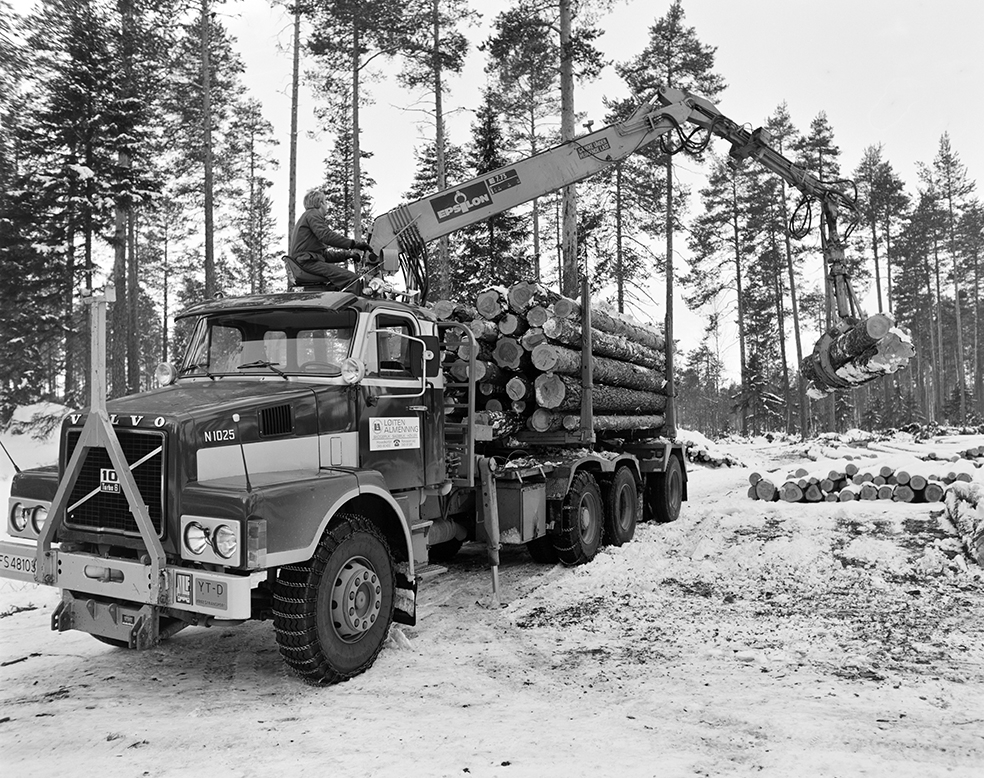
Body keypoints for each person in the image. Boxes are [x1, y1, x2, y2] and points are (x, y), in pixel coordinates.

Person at [288, 188, 374, 293]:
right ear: (320, 203)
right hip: (307, 263)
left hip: (306, 262)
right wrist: (354, 244)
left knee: (341, 281)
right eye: (325, 202)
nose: (327, 206)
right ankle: (355, 309)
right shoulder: (313, 215)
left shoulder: (307, 218)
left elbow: (324, 256)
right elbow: (327, 236)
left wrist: (347, 255)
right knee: (353, 280)